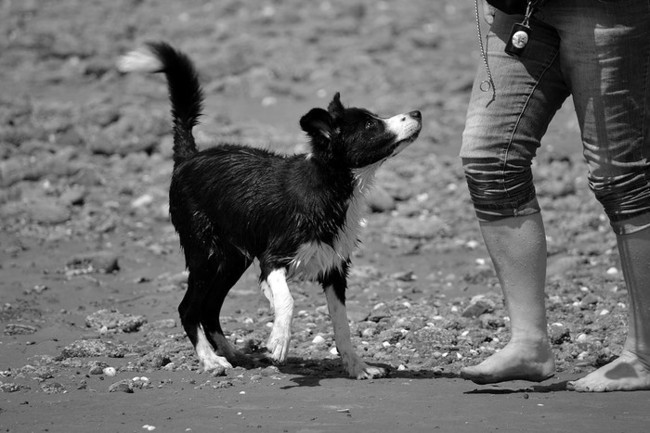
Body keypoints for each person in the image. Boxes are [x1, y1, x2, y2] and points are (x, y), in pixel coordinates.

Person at [458, 0, 650, 392]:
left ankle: (644, 355)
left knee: (621, 178)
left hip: (608, 11)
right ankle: (528, 344)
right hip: (521, 7)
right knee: (490, 159)